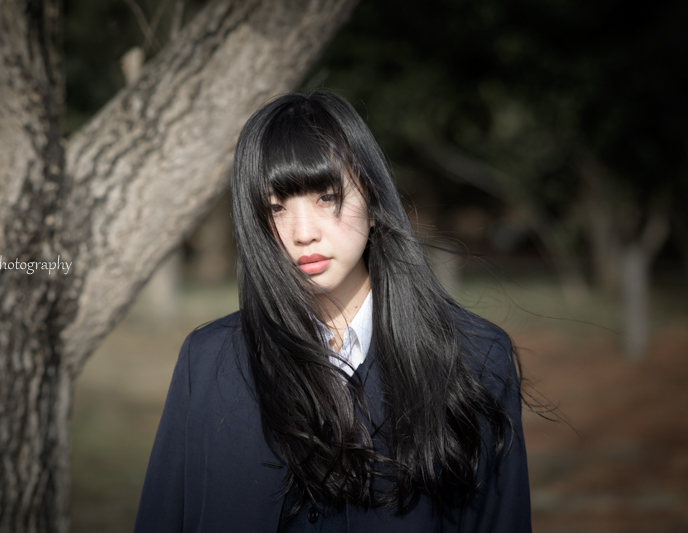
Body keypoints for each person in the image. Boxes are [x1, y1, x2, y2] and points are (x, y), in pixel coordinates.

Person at [134, 90, 531, 532]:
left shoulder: (475, 358)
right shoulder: (208, 361)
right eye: (275, 207)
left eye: (326, 197)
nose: (303, 233)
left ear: (374, 201)